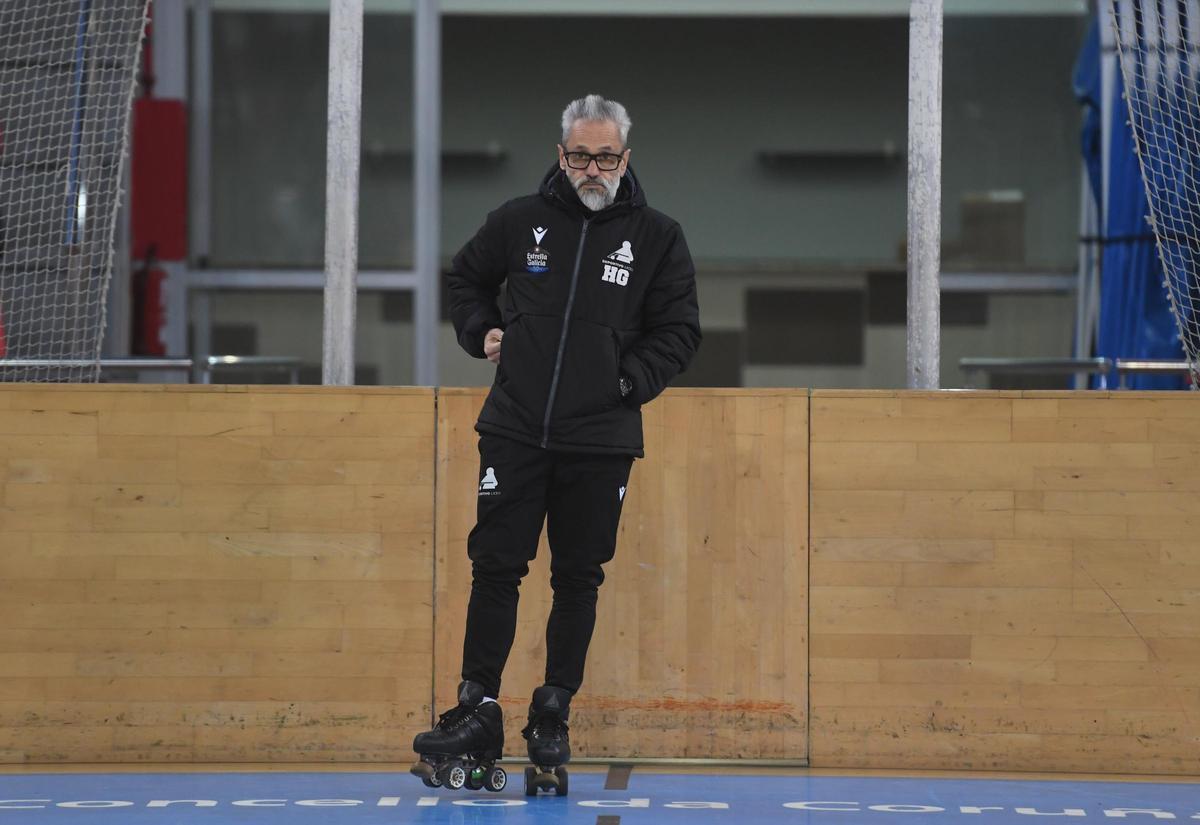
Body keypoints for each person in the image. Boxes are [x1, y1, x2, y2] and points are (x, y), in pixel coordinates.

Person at [411, 94, 701, 793]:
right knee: (496, 567)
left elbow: (680, 332)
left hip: (600, 438)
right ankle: (478, 707)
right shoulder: (519, 221)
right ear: (560, 154)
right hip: (514, 427)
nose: (591, 168)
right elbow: (465, 278)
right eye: (579, 155)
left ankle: (552, 709)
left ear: (625, 158)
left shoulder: (658, 237)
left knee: (577, 576)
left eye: (604, 156)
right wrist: (481, 330)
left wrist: (627, 382)